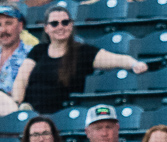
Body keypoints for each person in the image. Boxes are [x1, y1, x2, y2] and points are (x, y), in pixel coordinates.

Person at [11, 6, 147, 115]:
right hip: (30, 112)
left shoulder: (83, 52)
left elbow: (115, 59)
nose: (60, 27)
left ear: (71, 25)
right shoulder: (38, 50)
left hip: (63, 114)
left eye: (65, 22)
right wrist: (17, 105)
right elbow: (21, 79)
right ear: (46, 28)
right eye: (54, 24)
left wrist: (134, 63)